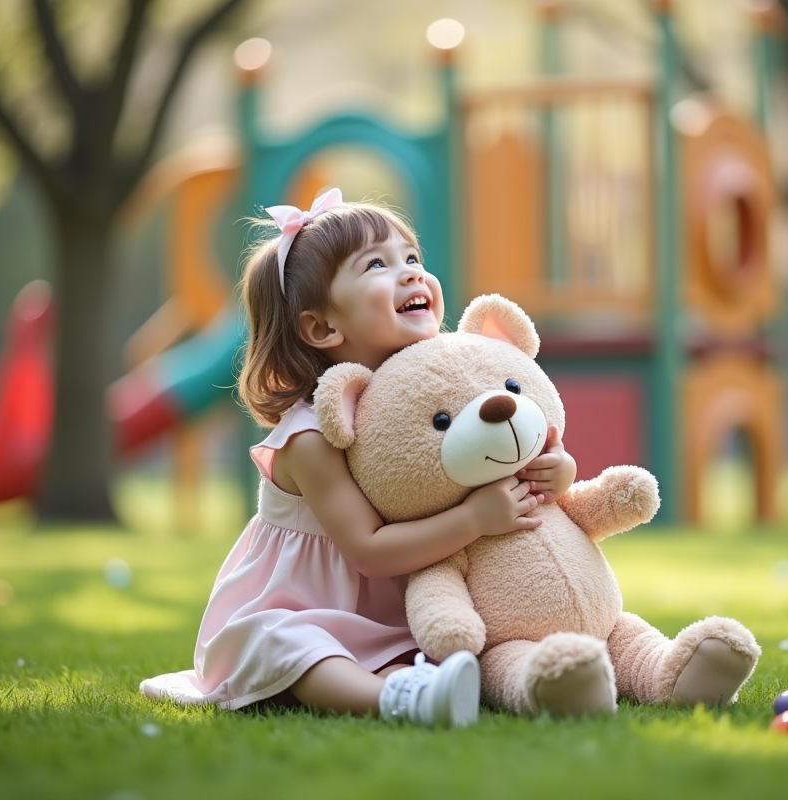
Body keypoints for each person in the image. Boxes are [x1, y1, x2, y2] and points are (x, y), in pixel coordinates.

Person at [140, 188, 578, 727]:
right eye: (378, 265)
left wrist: (556, 471)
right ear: (323, 327)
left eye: (412, 258)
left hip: (406, 604)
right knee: (290, 644)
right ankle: (399, 698)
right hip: (314, 610)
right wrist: (473, 518)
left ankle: (529, 672)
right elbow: (368, 550)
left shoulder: (434, 391)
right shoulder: (308, 437)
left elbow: (503, 456)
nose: (412, 273)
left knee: (470, 634)